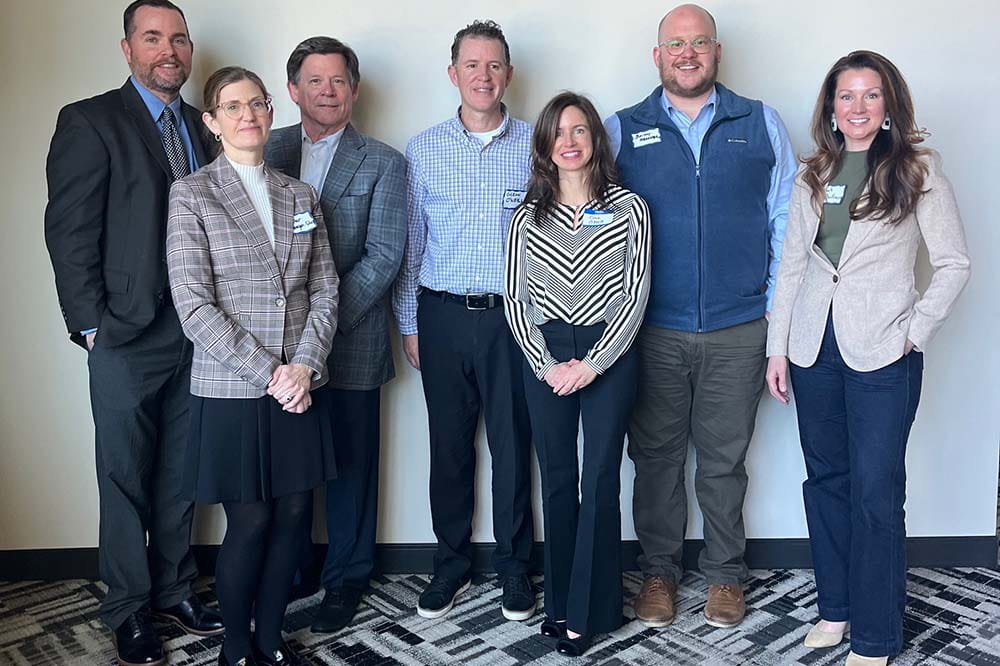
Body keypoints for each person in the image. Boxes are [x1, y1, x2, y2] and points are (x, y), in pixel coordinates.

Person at [765, 51, 971, 666]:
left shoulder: (918, 169)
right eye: (846, 96)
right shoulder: (812, 172)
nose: (857, 108)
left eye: (870, 96)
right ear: (830, 106)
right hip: (812, 348)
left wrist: (915, 330)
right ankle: (838, 608)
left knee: (876, 492)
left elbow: (955, 263)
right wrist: (778, 347)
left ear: (888, 107)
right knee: (827, 482)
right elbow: (795, 268)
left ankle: (877, 636)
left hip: (883, 348)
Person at [605, 3, 797, 629]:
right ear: (656, 56)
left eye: (699, 43)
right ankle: (659, 571)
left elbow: (786, 225)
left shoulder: (760, 122)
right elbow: (595, 224)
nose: (687, 54)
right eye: (674, 44)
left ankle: (725, 575)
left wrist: (774, 316)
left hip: (739, 327)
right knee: (655, 457)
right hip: (651, 329)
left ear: (717, 52)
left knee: (723, 461)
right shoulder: (621, 128)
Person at [43, 2, 223, 663]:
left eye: (177, 38)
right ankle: (127, 607)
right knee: (123, 474)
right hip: (124, 333)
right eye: (153, 38)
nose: (167, 49)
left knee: (180, 471)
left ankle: (176, 588)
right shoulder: (91, 120)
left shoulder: (205, 129)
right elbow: (68, 232)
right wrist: (92, 327)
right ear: (127, 50)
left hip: (198, 330)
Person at [166, 66, 339, 666]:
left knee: (294, 517)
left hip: (300, 384)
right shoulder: (191, 194)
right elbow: (194, 305)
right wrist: (270, 372)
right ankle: (236, 647)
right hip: (236, 386)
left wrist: (306, 366)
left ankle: (271, 638)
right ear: (212, 122)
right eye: (233, 107)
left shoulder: (300, 195)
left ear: (270, 111)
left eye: (258, 103)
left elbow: (325, 288)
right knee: (252, 521)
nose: (249, 115)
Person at [392, 19, 536, 622]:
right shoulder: (423, 149)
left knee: (512, 446)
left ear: (508, 74)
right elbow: (410, 243)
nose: (483, 75)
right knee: (448, 448)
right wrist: (409, 321)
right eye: (471, 65)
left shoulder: (537, 144)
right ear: (453, 74)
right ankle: (449, 566)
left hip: (515, 320)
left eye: (494, 64)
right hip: (442, 315)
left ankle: (514, 570)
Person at [265, 36, 407, 634]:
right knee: (287, 467)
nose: (328, 91)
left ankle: (346, 578)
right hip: (272, 349)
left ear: (354, 89)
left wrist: (317, 329)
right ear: (293, 89)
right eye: (315, 81)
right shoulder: (261, 150)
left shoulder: (384, 161)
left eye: (339, 81)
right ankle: (290, 570)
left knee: (350, 468)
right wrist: (290, 336)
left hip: (352, 340)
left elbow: (384, 255)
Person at [504, 92, 651, 656]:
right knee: (559, 478)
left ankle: (594, 610)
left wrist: (593, 364)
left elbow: (635, 296)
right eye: (558, 132)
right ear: (544, 144)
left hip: (608, 353)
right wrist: (547, 365)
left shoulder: (629, 209)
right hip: (545, 355)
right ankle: (562, 601)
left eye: (580, 130)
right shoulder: (525, 216)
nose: (569, 141)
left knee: (600, 478)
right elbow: (516, 297)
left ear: (595, 141)